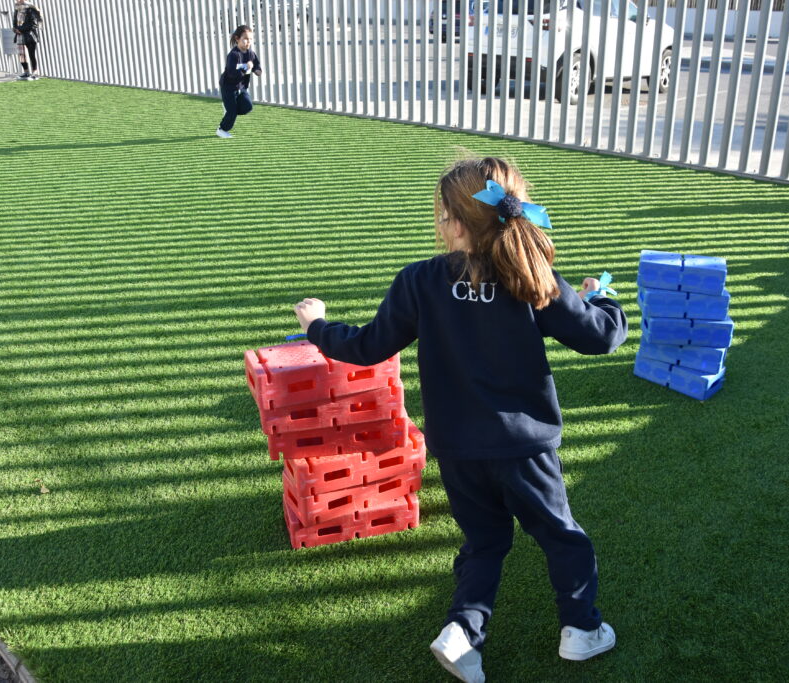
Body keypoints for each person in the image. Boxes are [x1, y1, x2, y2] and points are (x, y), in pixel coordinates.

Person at [293, 157, 627, 682]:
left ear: (452, 218)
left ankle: (462, 633)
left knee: (484, 543)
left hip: (457, 449)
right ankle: (582, 630)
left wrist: (317, 326)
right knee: (562, 537)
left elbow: (367, 346)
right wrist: (601, 297)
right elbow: (601, 336)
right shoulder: (532, 277)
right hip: (524, 449)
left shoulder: (421, 281)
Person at [216, 24, 261, 139]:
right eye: (245, 39)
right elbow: (232, 74)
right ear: (237, 39)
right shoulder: (233, 55)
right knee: (232, 112)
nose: (248, 42)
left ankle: (230, 110)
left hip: (241, 87)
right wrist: (246, 67)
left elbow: (256, 65)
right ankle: (222, 129)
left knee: (248, 106)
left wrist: (257, 70)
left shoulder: (251, 53)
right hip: (228, 87)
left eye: (250, 39)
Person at [13, 0, 42, 80]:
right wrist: (15, 29)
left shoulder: (30, 9)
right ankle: (26, 72)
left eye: (19, 1)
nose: (17, 1)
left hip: (30, 35)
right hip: (19, 35)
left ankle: (34, 72)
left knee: (31, 54)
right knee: (21, 55)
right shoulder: (17, 10)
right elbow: (14, 22)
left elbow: (33, 24)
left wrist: (21, 29)